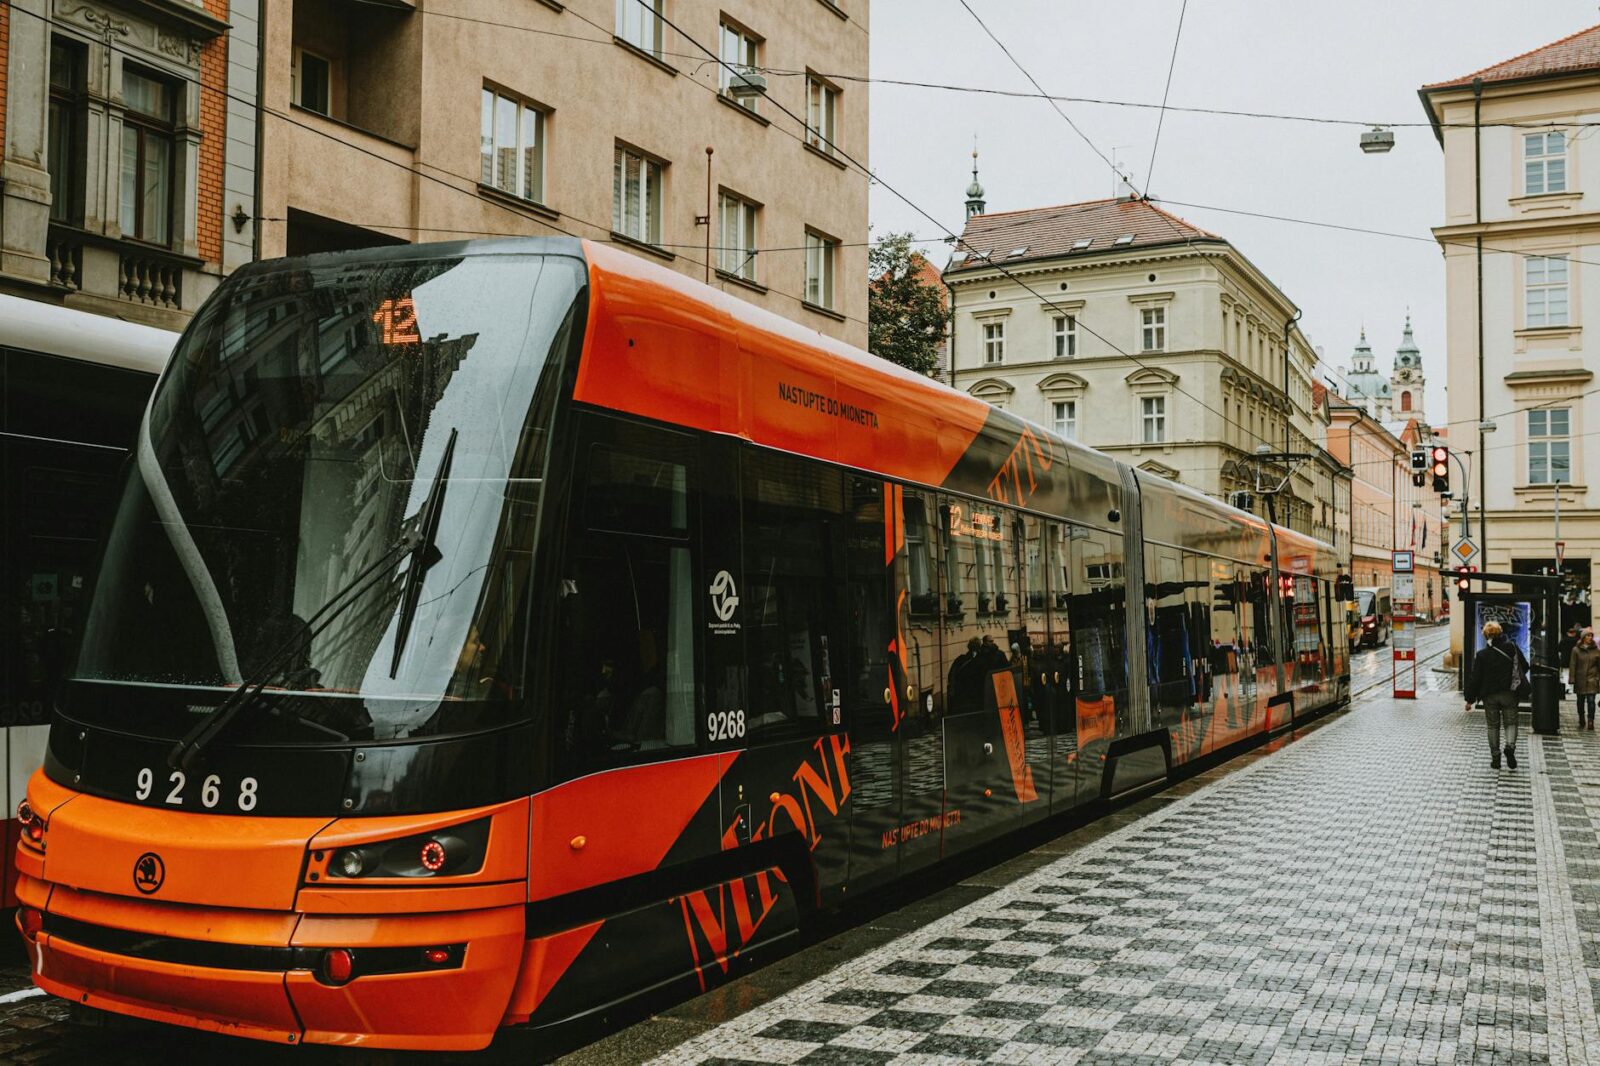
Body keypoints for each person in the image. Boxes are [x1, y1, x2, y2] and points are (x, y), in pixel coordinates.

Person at [1464, 621, 1530, 770]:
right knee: (1511, 723)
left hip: (1489, 696)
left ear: (1485, 636)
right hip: (1509, 693)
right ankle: (1510, 747)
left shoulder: (1482, 655)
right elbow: (1524, 666)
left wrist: (1469, 699)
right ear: (1500, 633)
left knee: (1493, 726)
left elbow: (1475, 678)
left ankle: (1496, 758)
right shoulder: (1511, 647)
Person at [1569, 628, 1600, 730]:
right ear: (1583, 637)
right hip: (1580, 679)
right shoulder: (1576, 650)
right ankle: (1581, 717)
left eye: (1591, 636)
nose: (1590, 638)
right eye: (1588, 636)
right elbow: (1573, 664)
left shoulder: (1596, 650)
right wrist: (1572, 678)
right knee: (1580, 701)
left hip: (1592, 679)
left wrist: (1597, 677)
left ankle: (1591, 721)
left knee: (1591, 701)